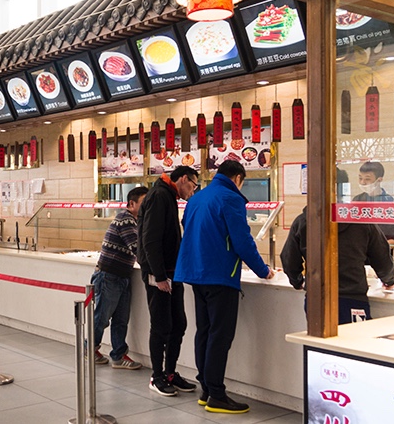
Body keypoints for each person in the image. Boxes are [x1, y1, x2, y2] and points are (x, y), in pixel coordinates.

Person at [175, 160, 274, 414]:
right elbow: (242, 241)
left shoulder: (197, 198)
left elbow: (188, 226)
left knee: (204, 332)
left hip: (196, 272)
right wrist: (263, 270)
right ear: (238, 178)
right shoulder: (230, 198)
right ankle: (217, 395)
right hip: (220, 274)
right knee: (220, 336)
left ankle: (206, 390)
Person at [136, 165, 199, 397]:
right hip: (159, 274)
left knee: (178, 324)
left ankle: (170, 372)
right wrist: (159, 276)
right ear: (183, 179)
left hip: (174, 272)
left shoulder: (169, 195)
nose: (192, 191)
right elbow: (150, 240)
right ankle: (157, 376)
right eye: (192, 186)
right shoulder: (159, 195)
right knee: (161, 326)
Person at [280, 206, 394, 324]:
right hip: (352, 297)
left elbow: (289, 260)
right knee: (353, 336)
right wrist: (388, 280)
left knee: (317, 336)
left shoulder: (303, 222)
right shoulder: (362, 222)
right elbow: (382, 258)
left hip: (316, 299)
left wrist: (298, 282)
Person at [90, 186, 149, 370]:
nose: (147, 206)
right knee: (101, 318)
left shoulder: (136, 221)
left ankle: (118, 355)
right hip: (109, 275)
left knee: (121, 320)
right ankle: (89, 349)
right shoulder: (126, 219)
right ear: (131, 204)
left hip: (122, 275)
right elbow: (137, 248)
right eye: (144, 202)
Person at [352, 161, 394, 246]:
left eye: (367, 179)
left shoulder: (391, 204)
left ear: (379, 180)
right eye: (360, 178)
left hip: (381, 252)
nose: (362, 182)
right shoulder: (356, 201)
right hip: (359, 251)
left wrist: (377, 248)